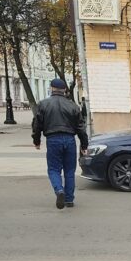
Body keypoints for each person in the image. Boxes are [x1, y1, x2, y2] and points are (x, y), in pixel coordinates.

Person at [32, 78, 89, 209]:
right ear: (64, 90)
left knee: (53, 169)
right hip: (70, 140)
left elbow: (37, 125)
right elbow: (81, 127)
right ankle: (69, 200)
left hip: (53, 139)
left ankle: (59, 191)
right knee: (69, 170)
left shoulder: (43, 104)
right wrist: (84, 145)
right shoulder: (73, 106)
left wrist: (37, 141)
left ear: (51, 88)